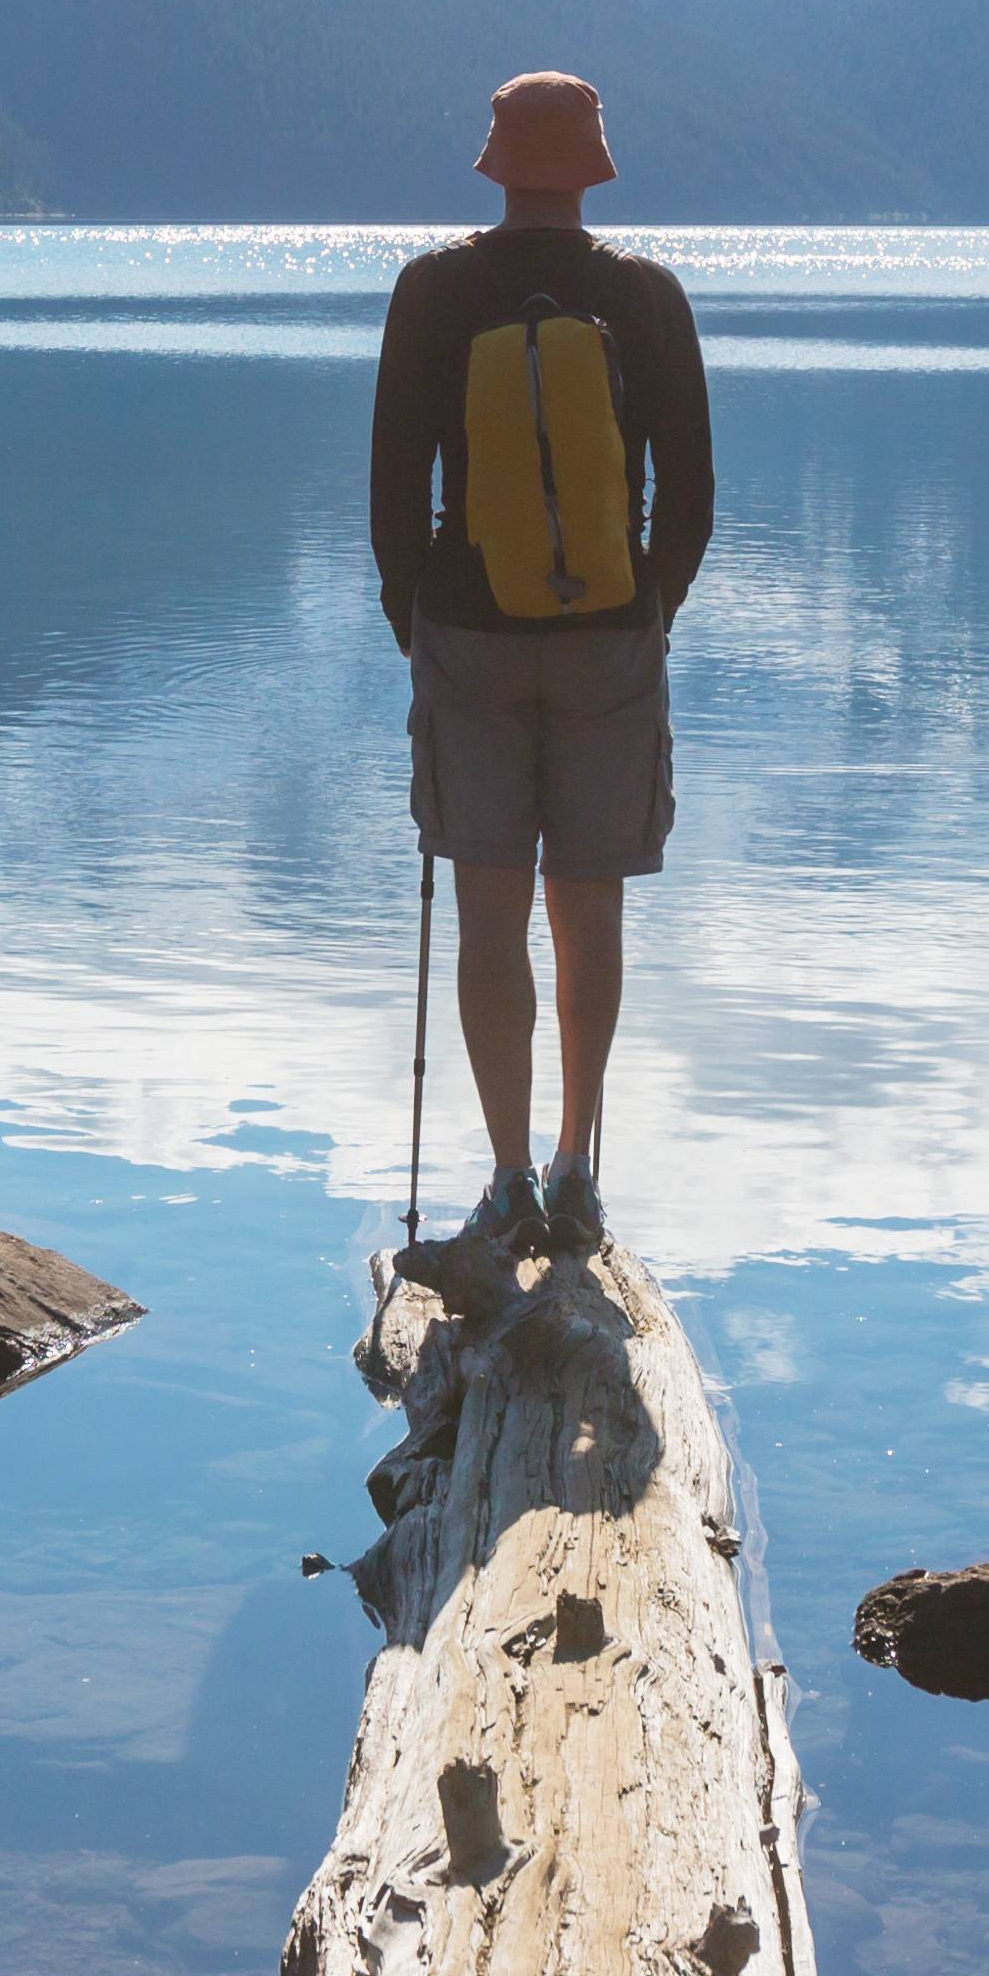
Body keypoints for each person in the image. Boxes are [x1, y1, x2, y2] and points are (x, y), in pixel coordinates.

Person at [369, 70, 713, 1254]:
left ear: (496, 165)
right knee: (588, 905)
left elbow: (393, 483)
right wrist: (645, 611)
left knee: (488, 915)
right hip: (607, 639)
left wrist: (416, 619)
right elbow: (691, 494)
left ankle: (507, 1178)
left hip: (468, 636)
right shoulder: (646, 296)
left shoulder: (432, 291)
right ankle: (577, 1172)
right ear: (593, 169)